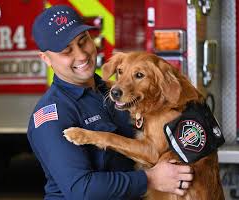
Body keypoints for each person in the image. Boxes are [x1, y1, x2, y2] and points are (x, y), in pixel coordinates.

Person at [27, 5, 194, 200]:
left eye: (83, 41)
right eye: (67, 51)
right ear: (45, 58)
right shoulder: (52, 115)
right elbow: (82, 190)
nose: (81, 55)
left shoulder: (113, 92)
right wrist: (151, 179)